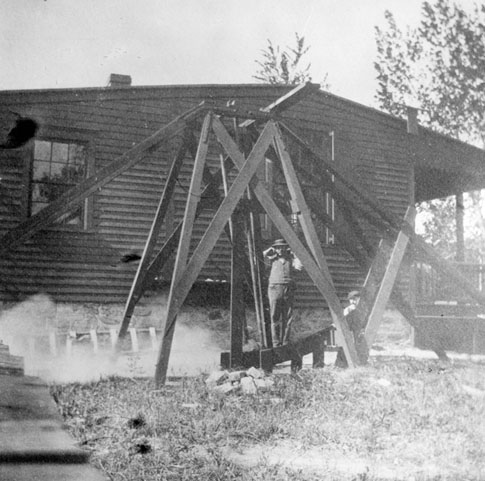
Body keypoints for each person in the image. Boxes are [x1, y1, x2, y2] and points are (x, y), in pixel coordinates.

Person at [263, 239, 302, 346]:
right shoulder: (271, 260)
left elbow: (299, 267)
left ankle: (285, 342)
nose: (280, 249)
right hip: (274, 289)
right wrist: (268, 251)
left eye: (282, 247)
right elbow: (256, 260)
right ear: (275, 249)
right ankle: (276, 342)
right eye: (277, 247)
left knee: (287, 317)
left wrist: (294, 254)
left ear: (286, 248)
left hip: (288, 289)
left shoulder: (291, 260)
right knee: (274, 316)